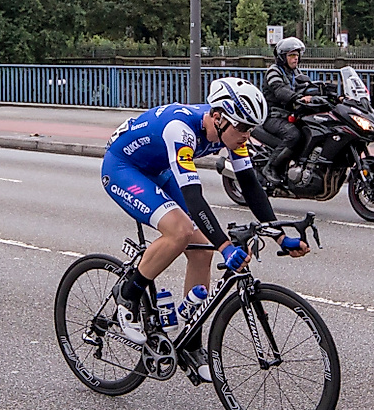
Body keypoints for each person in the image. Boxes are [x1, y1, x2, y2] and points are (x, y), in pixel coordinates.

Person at [100, 79, 302, 358]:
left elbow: (250, 186)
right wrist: (226, 247)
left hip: (158, 171)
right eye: (243, 128)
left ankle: (190, 344)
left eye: (251, 128)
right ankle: (129, 295)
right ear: (218, 118)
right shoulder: (180, 130)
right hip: (124, 167)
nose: (247, 135)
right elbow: (195, 199)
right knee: (180, 231)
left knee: (202, 250)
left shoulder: (229, 130)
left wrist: (279, 233)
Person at [257, 36, 314, 182]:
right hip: (272, 117)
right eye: (292, 55)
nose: (296, 58)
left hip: (290, 115)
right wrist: (297, 98)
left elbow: (308, 87)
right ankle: (270, 167)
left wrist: (332, 95)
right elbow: (280, 90)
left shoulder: (296, 73)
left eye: (297, 55)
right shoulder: (274, 72)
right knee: (293, 135)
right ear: (283, 57)